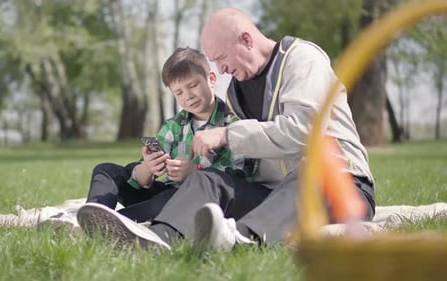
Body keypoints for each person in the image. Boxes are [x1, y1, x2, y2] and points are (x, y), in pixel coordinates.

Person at [77, 7, 375, 252]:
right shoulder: (236, 90)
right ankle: (157, 239)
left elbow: (302, 132)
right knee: (207, 181)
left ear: (246, 40)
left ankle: (240, 241)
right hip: (272, 195)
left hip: (338, 184)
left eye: (221, 58)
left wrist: (226, 135)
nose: (219, 71)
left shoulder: (303, 60)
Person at [77, 47, 257, 247]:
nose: (188, 96)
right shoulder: (173, 126)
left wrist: (194, 172)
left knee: (170, 197)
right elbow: (141, 180)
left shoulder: (232, 124)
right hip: (163, 193)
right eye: (179, 92)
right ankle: (94, 215)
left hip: (195, 202)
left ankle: (114, 224)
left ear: (211, 79)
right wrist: (148, 168)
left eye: (193, 85)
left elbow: (241, 177)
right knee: (106, 170)